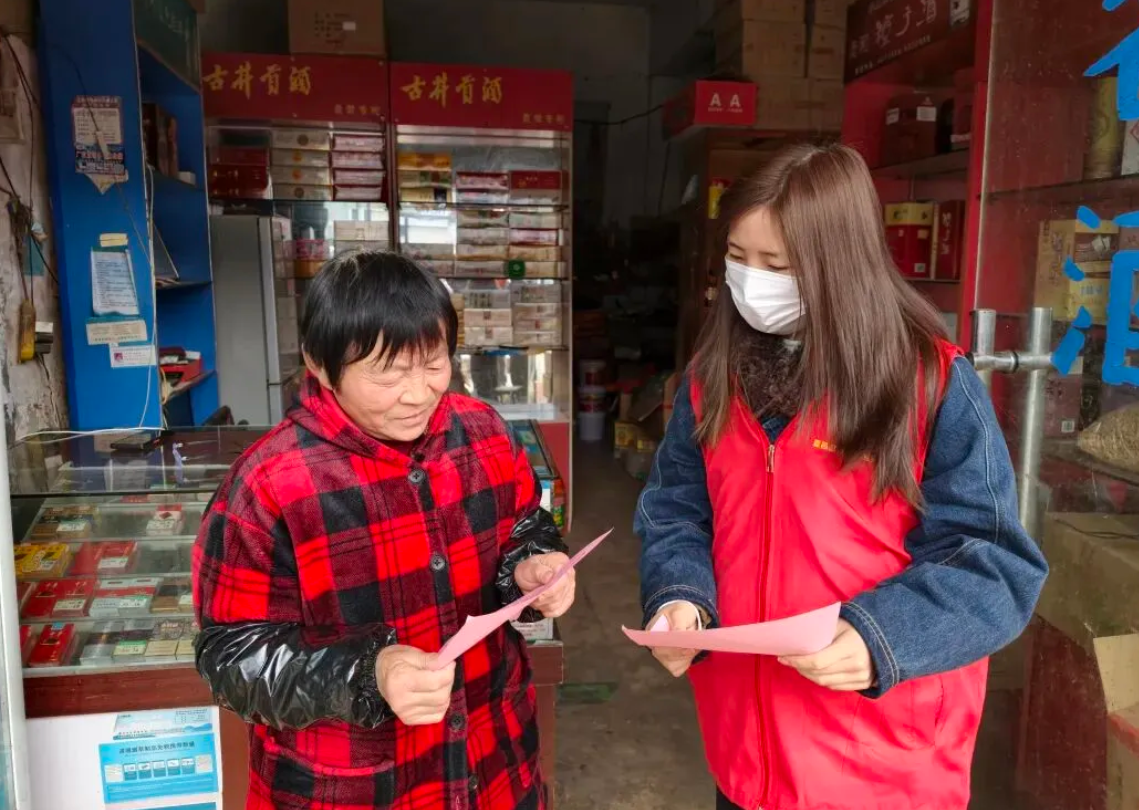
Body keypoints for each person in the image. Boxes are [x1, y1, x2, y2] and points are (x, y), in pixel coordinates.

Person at [635, 143, 1049, 810]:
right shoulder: (712, 380)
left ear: (841, 265)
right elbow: (677, 509)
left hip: (880, 762)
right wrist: (679, 593)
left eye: (777, 265)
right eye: (738, 257)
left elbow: (995, 566)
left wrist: (882, 637)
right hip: (745, 753)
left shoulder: (928, 384)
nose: (752, 282)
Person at [193, 251, 574, 810]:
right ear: (320, 365)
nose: (418, 393)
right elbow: (231, 657)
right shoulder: (269, 485)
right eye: (388, 372)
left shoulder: (485, 432)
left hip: (493, 757)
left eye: (433, 363)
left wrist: (532, 566)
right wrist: (368, 672)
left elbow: (524, 526)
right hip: (352, 787)